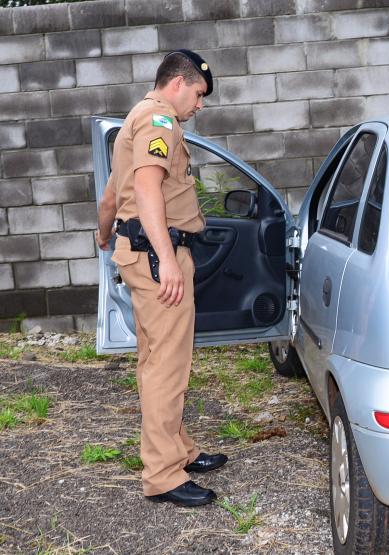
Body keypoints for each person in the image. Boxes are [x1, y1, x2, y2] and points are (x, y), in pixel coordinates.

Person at [95, 49, 227, 507]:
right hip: (158, 259)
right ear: (178, 84)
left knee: (156, 362)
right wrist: (168, 259)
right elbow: (148, 188)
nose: (200, 105)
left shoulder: (134, 118)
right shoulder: (160, 122)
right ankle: (163, 476)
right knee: (167, 369)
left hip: (139, 254)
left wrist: (105, 233)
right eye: (198, 93)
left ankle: (178, 450)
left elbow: (114, 192)